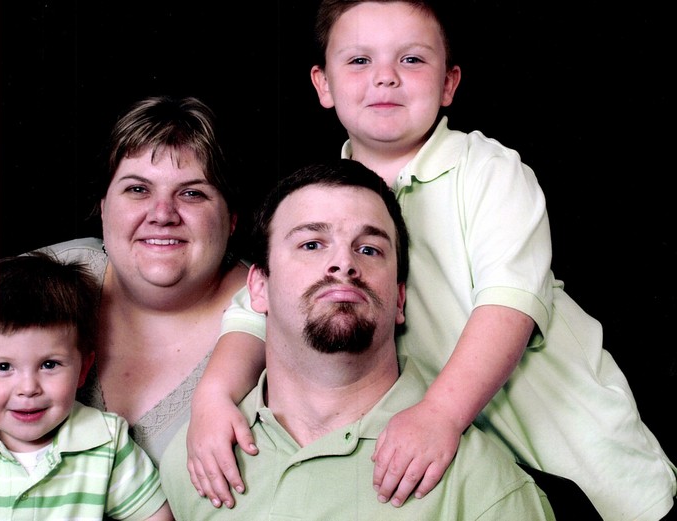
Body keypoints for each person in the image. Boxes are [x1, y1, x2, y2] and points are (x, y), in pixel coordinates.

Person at [184, 2, 677, 520]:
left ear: (449, 83)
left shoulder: (487, 170)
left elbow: (509, 306)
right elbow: (255, 311)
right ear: (323, 84)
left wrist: (440, 413)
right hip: (458, 472)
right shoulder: (324, 199)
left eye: (412, 60)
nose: (385, 78)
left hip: (579, 458)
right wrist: (212, 397)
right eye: (359, 61)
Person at [0, 95, 250, 521]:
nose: (162, 214)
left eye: (192, 193)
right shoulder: (43, 282)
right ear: (104, 207)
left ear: (231, 217)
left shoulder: (267, 312)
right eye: (137, 189)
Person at [161, 159, 556, 520]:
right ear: (258, 288)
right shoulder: (195, 459)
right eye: (311, 244)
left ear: (399, 299)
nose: (344, 263)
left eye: (369, 249)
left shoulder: (484, 490)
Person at [0, 252, 172, 520]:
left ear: (83, 369)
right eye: (3, 367)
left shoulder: (106, 439)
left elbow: (155, 516)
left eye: (49, 364)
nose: (28, 388)